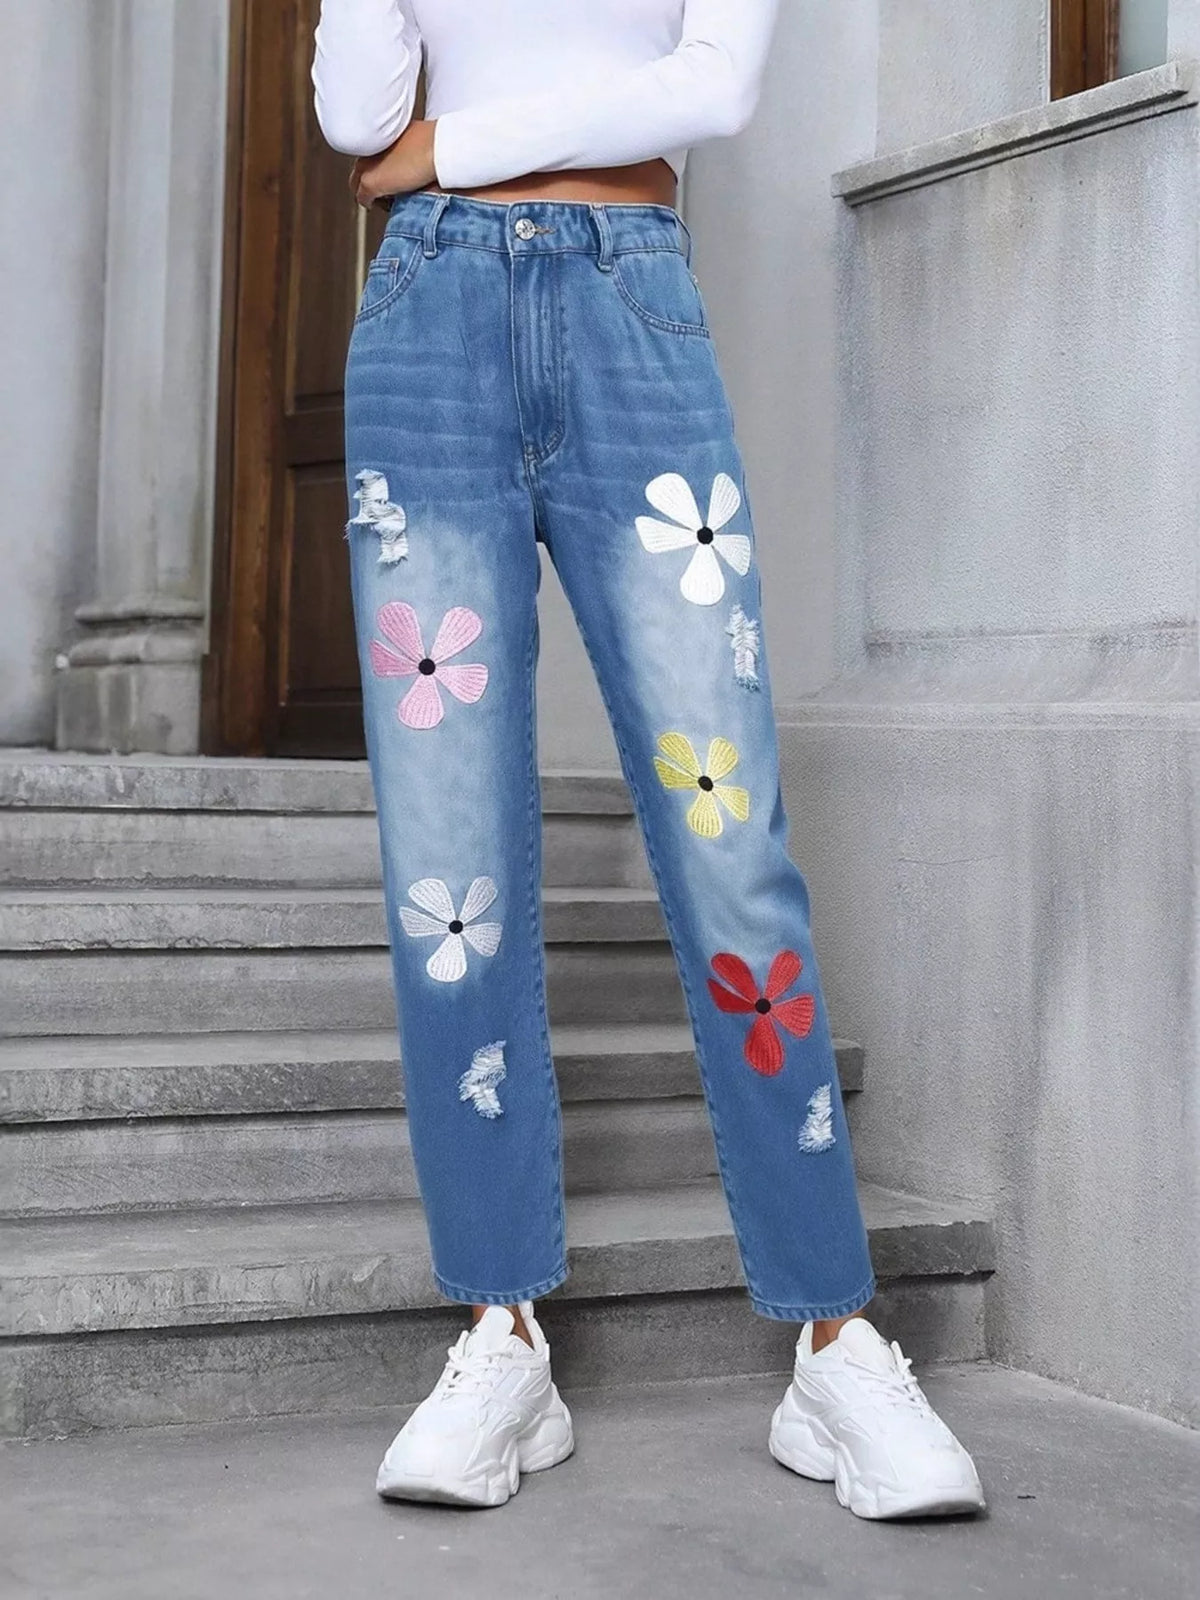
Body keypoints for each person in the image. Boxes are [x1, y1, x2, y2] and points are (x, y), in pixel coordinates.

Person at [312, 0, 985, 1521]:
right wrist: (423, 155)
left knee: (728, 840)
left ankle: (835, 1340)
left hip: (631, 311)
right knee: (448, 875)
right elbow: (357, 123)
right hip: (426, 323)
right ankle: (500, 1331)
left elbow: (714, 88)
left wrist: (452, 148)